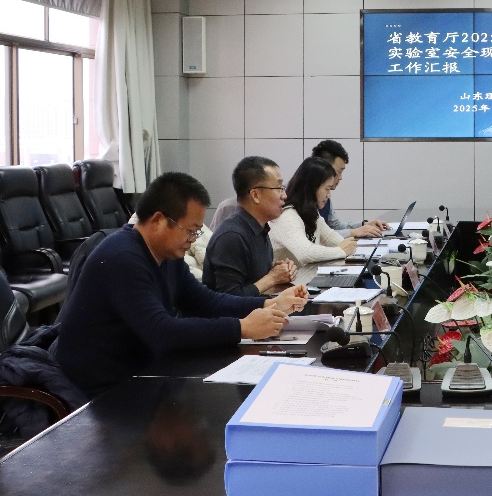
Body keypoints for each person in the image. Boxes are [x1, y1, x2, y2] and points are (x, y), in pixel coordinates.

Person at [54, 172, 308, 397]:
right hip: (101, 387)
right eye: (190, 230)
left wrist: (268, 303)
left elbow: (205, 301)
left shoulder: (167, 255)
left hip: (142, 370)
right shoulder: (122, 257)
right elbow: (161, 331)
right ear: (158, 220)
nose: (193, 239)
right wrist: (242, 327)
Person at [202, 156, 298, 296]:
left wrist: (280, 272)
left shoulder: (260, 229)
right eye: (279, 188)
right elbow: (229, 299)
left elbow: (252, 281)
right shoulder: (232, 236)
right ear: (255, 195)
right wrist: (272, 278)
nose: (284, 195)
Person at [269, 157, 359, 286]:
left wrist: (352, 247)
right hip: (280, 289)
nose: (329, 195)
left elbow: (330, 238)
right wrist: (341, 250)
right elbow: (306, 253)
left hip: (301, 283)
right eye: (327, 189)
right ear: (312, 188)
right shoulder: (287, 216)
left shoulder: (310, 211)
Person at [311, 140, 386, 238]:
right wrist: (354, 232)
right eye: (338, 172)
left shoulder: (324, 196)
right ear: (322, 168)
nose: (340, 177)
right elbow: (315, 237)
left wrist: (364, 225)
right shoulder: (300, 201)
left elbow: (334, 227)